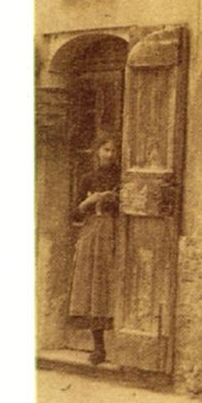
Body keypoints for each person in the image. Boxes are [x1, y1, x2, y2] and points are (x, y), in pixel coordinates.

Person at [68, 136, 120, 365]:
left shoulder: (122, 178)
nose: (110, 154)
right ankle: (99, 347)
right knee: (94, 287)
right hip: (92, 234)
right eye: (106, 149)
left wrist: (116, 198)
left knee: (113, 285)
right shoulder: (88, 179)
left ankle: (126, 344)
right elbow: (74, 213)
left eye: (113, 150)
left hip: (117, 232)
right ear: (98, 151)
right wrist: (89, 202)